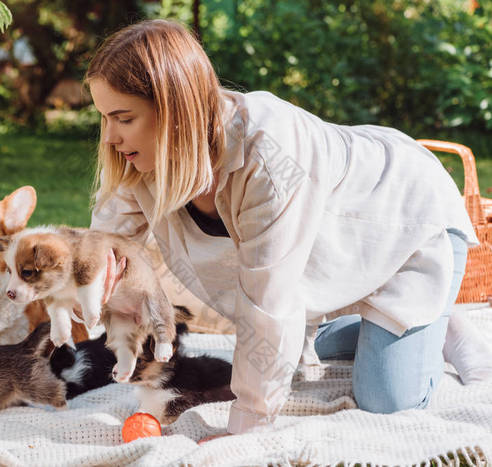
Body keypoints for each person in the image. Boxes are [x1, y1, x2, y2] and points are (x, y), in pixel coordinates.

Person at [85, 18, 492, 438]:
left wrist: (247, 427)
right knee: (313, 343)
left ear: (173, 111)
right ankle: (392, 327)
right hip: (340, 251)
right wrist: (91, 298)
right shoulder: (141, 159)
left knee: (385, 401)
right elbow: (103, 251)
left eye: (123, 117)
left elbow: (268, 305)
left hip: (404, 217)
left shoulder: (270, 157)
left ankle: (440, 326)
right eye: (105, 119)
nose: (111, 137)